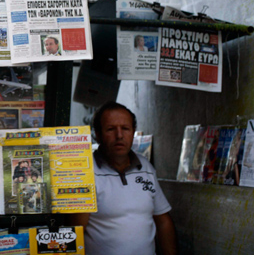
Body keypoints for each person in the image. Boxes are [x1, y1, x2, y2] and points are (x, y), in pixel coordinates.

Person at [71, 102, 176, 255]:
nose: (119, 135)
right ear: (98, 134)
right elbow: (76, 232)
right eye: (111, 129)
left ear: (133, 132)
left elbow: (163, 220)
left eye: (125, 129)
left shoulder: (145, 167)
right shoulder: (85, 171)